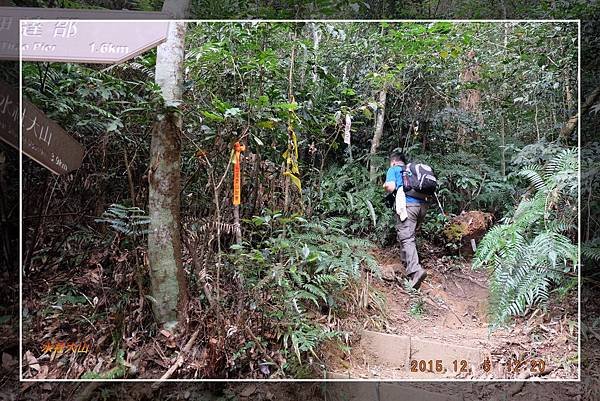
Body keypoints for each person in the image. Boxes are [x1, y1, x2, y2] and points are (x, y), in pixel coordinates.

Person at [383, 150, 429, 289]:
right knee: (407, 235)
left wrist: (385, 185)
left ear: (394, 161)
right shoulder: (410, 171)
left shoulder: (394, 169)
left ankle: (415, 271)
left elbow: (390, 187)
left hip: (408, 206)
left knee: (407, 238)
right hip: (422, 206)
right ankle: (406, 265)